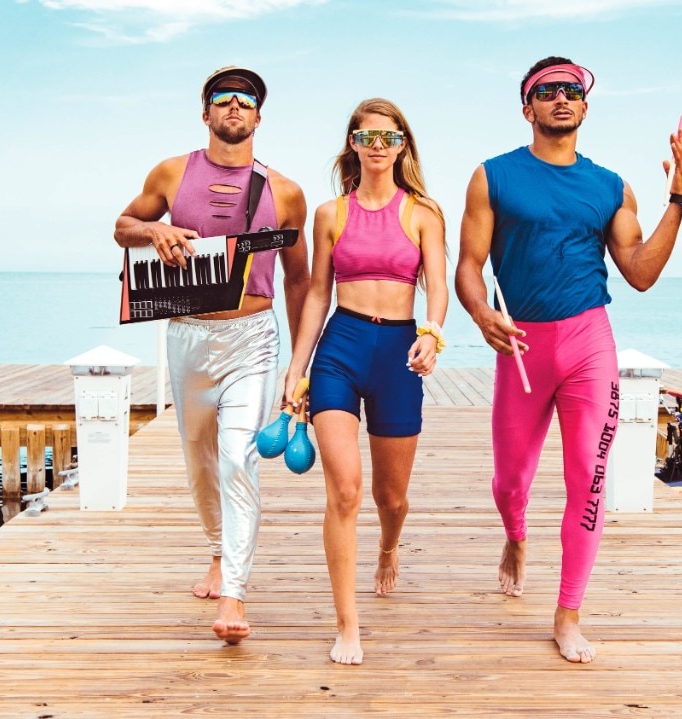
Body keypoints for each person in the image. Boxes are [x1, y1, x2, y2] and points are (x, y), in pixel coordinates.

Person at [455, 56, 682, 663]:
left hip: (590, 341)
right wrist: (482, 314)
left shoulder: (610, 186)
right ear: (527, 108)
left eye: (571, 91)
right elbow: (468, 267)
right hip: (522, 346)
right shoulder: (493, 177)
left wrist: (678, 200)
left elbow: (640, 272)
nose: (561, 99)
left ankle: (568, 612)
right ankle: (515, 535)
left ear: (584, 108)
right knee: (511, 480)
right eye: (547, 91)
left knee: (586, 479)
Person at [113, 66, 310, 644]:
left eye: (245, 101)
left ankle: (236, 594)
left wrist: (299, 366)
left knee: (236, 459)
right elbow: (123, 225)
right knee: (199, 460)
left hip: (253, 335)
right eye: (223, 100)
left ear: (258, 116)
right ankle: (219, 552)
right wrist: (155, 234)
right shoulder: (172, 173)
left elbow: (298, 282)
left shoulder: (285, 192)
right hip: (186, 335)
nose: (234, 108)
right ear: (206, 114)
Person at [282, 98, 448, 665]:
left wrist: (432, 334)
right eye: (367, 136)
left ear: (403, 145)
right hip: (341, 347)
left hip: (399, 352)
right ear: (352, 143)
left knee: (391, 498)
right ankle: (347, 625)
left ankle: (388, 546)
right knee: (346, 490)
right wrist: (297, 366)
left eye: (389, 137)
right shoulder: (330, 213)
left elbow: (439, 289)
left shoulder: (425, 212)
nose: (378, 147)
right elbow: (316, 295)